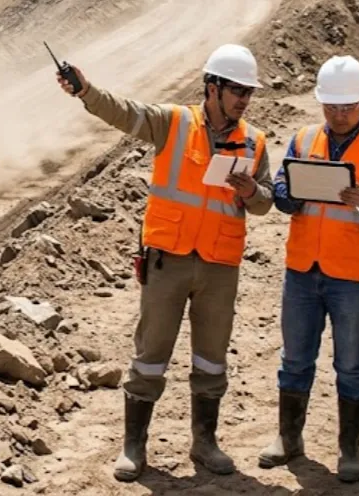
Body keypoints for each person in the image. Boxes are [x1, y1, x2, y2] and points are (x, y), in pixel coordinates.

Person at [57, 43, 274, 481]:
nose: (244, 100)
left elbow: (265, 203)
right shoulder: (173, 122)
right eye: (237, 90)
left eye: (249, 92)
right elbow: (124, 112)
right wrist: (86, 91)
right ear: (212, 88)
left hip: (219, 265)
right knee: (151, 354)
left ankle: (205, 442)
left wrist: (251, 190)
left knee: (212, 357)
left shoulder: (254, 141)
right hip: (168, 260)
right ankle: (134, 446)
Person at [259, 55, 359, 484]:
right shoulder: (303, 139)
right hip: (303, 268)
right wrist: (292, 194)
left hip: (352, 276)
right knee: (294, 359)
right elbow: (281, 190)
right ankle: (289, 438)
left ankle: (349, 449)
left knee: (352, 364)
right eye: (331, 106)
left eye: (347, 106)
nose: (339, 115)